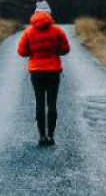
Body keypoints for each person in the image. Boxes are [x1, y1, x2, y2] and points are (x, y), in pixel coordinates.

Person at [17, 11, 70, 146]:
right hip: (53, 72)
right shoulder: (58, 31)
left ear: (34, 20)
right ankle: (51, 136)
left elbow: (22, 51)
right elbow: (66, 49)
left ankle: (41, 136)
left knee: (39, 103)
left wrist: (33, 52)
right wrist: (55, 51)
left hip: (36, 72)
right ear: (49, 19)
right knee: (52, 104)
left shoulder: (28, 32)